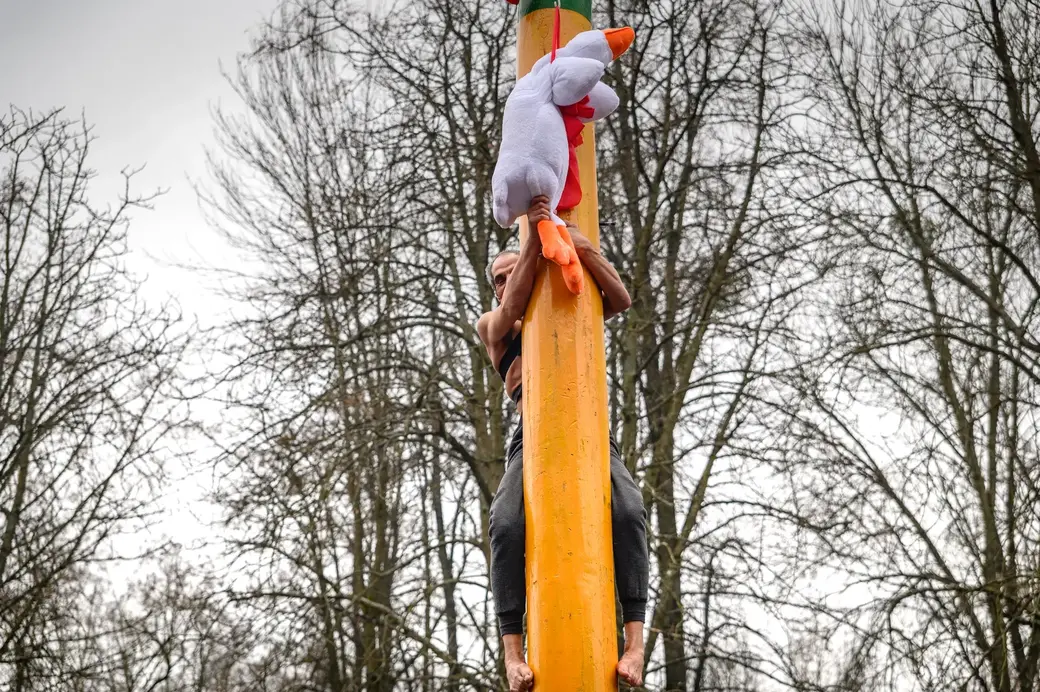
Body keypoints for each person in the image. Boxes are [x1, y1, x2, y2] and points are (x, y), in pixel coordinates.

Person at [477, 196, 649, 691]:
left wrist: (579, 248)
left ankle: (634, 645)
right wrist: (535, 232)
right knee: (506, 524)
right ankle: (513, 655)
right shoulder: (497, 325)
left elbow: (619, 299)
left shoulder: (569, 304)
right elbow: (513, 304)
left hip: (590, 428)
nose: (507, 281)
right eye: (498, 277)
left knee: (629, 511)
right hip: (529, 433)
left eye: (514, 270)